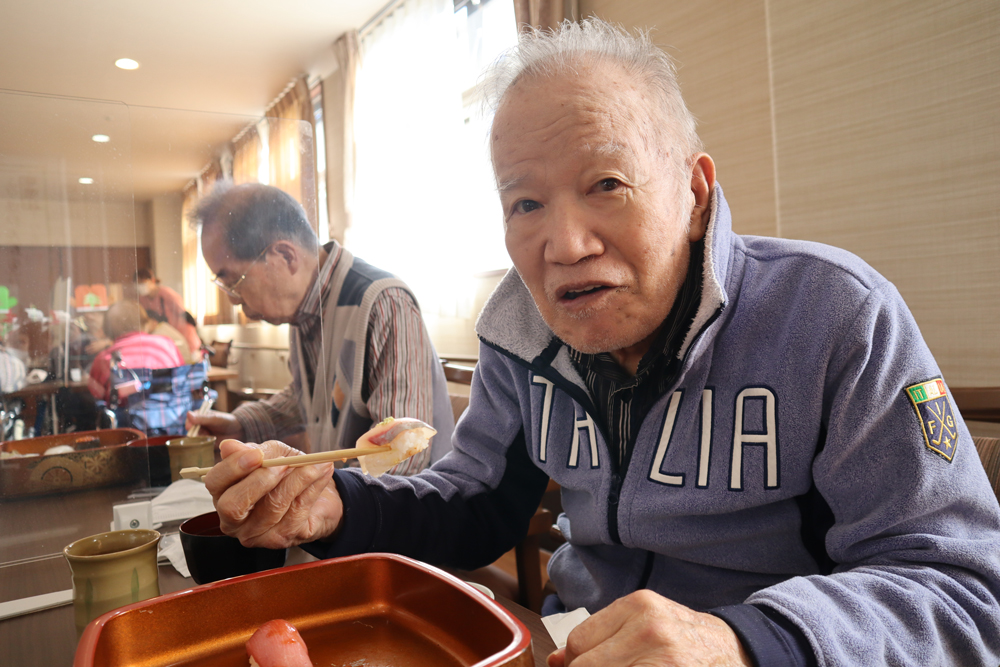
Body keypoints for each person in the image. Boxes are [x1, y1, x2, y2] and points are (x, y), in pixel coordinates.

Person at [200, 20, 1000, 667]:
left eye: (606, 185)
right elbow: (478, 504)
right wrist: (341, 504)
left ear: (693, 191)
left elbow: (963, 589)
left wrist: (741, 640)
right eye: (525, 203)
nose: (564, 245)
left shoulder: (833, 315)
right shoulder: (519, 326)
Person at [184, 182, 454, 473]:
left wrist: (317, 493)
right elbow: (313, 400)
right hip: (351, 501)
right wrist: (241, 425)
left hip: (412, 509)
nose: (232, 299)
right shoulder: (305, 311)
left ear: (285, 256)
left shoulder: (383, 303)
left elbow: (402, 454)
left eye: (232, 281)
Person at [88, 300, 184, 402]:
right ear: (144, 323)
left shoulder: (105, 359)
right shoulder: (167, 345)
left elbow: (96, 396)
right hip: (172, 414)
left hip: (126, 416)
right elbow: (183, 379)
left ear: (107, 329)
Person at [134, 268, 203, 361]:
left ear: (152, 280)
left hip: (184, 336)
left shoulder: (168, 294)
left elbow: (182, 315)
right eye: (138, 283)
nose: (140, 286)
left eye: (142, 282)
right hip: (167, 339)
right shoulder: (142, 299)